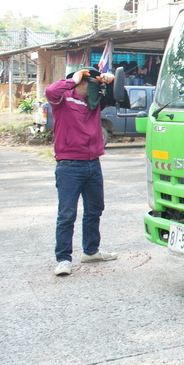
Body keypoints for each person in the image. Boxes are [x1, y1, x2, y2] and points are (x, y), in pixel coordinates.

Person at [45, 67, 118, 276]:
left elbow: (118, 98)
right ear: (83, 82)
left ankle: (91, 251)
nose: (97, 89)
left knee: (95, 209)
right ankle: (63, 259)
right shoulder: (64, 98)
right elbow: (50, 91)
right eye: (94, 84)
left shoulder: (94, 101)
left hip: (93, 163)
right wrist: (73, 79)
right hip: (69, 165)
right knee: (67, 214)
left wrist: (111, 81)